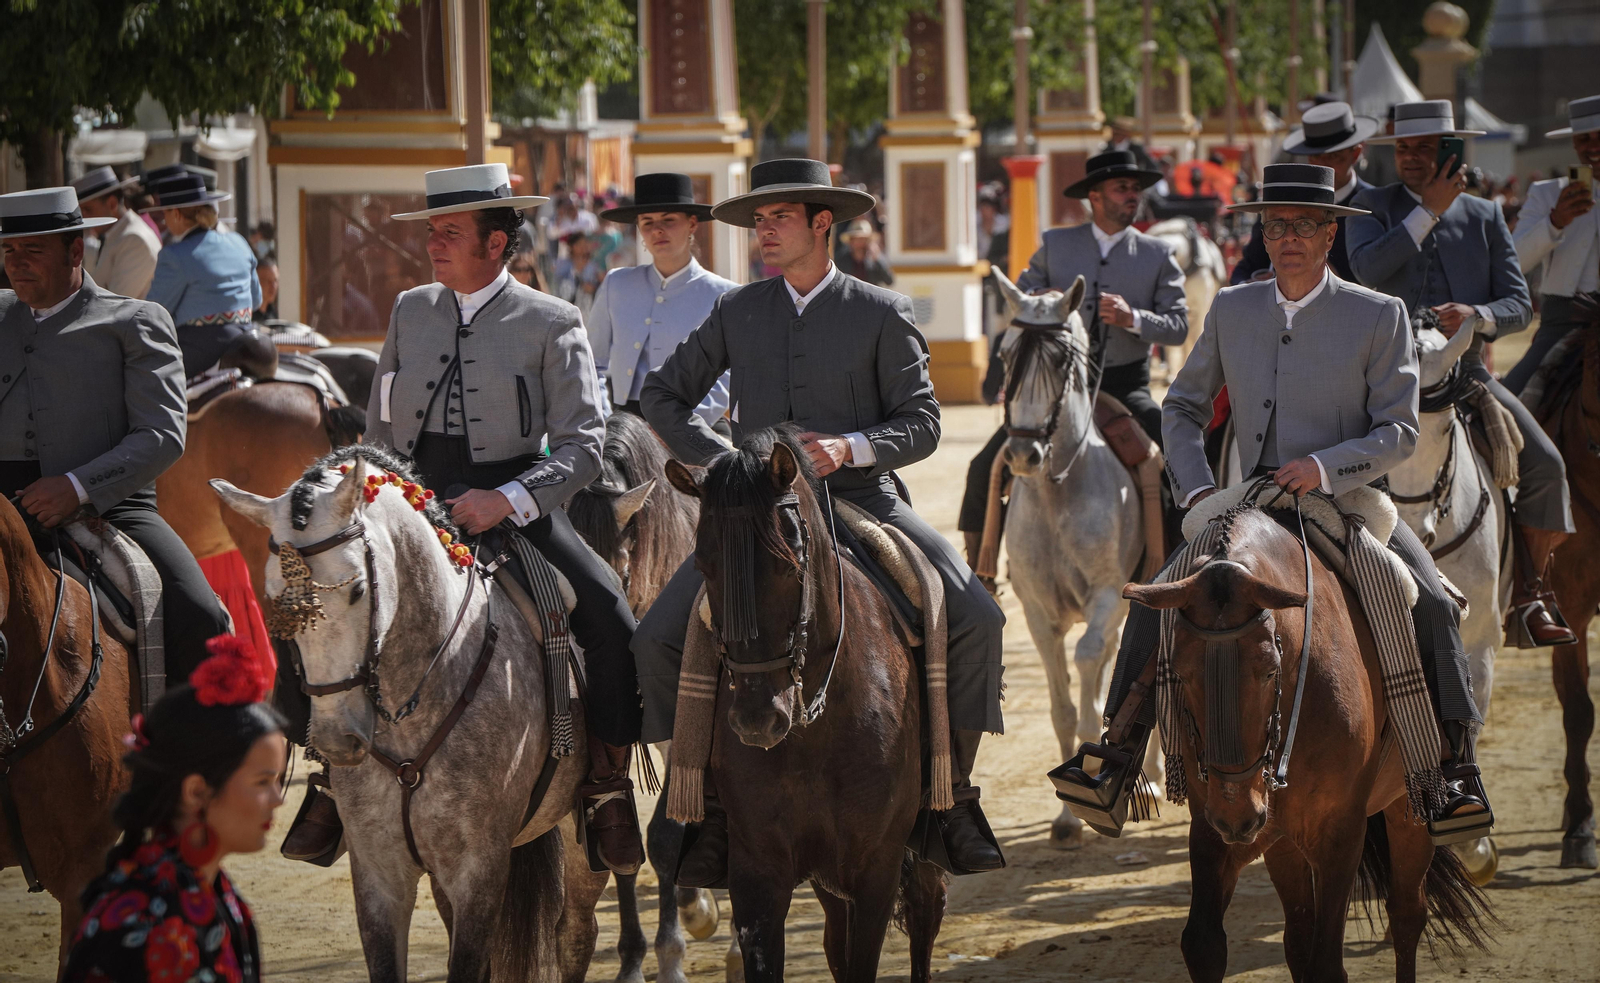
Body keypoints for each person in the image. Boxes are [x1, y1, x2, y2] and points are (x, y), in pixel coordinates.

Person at [1056, 163, 1491, 846]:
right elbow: (1184, 407)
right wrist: (1197, 488)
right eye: (1277, 225)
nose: (1289, 237)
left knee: (1431, 601)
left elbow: (1399, 430)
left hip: (1348, 501)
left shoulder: (1376, 314)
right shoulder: (1233, 307)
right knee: (1160, 592)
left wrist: (1324, 465)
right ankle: (1116, 753)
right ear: (1264, 232)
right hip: (1244, 498)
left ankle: (1454, 768)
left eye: (1306, 225)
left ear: (1328, 235)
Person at [635, 158, 1007, 883]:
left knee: (978, 617)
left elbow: (924, 422)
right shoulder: (738, 310)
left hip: (864, 498)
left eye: (778, 219)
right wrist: (732, 464)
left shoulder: (881, 311)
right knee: (654, 634)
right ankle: (697, 800)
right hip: (759, 515)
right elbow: (662, 396)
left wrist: (851, 446)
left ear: (822, 224)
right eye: (758, 221)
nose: (762, 232)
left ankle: (948, 796)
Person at [297, 162, 644, 875]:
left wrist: (508, 499)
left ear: (497, 244)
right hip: (407, 500)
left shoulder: (554, 320)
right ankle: (327, 774)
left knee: (611, 618)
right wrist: (370, 490)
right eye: (431, 231)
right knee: (311, 598)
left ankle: (607, 784)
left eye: (449, 232)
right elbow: (380, 427)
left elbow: (582, 445)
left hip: (513, 500)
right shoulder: (408, 309)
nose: (433, 243)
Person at [1347, 100, 1575, 648]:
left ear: (1452, 151)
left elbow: (1520, 304)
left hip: (1466, 375)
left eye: (1423, 148)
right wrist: (1426, 210)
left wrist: (1479, 315)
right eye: (1403, 148)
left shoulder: (1485, 215)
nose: (1410, 158)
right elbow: (1366, 269)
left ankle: (1529, 595)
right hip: (1379, 377)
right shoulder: (1369, 205)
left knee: (1547, 467)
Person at [0, 186, 232, 685]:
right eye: (8, 250)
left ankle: (190, 759)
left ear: (76, 251)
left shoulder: (136, 322)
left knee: (201, 618)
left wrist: (76, 487)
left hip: (110, 505)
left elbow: (163, 434)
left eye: (33, 249)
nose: (16, 263)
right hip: (1, 501)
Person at [956, 150, 1188, 567]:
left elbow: (1178, 326)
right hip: (1055, 389)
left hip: (1126, 387)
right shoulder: (1055, 244)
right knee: (981, 469)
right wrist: (1039, 302)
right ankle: (979, 575)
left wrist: (1133, 318)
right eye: (1122, 189)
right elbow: (1022, 298)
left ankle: (1180, 567)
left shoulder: (1158, 254)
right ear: (1094, 197)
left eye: (1135, 189)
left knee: (1179, 464)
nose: (1132, 196)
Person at [63, 636, 285, 983]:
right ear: (196, 791)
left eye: (278, 781)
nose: (279, 799)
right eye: (262, 782)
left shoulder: (222, 896)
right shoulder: (140, 921)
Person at [589, 172, 736, 432]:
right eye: (647, 222)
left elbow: (728, 375)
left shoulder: (722, 294)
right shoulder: (617, 283)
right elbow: (592, 363)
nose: (657, 230)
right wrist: (604, 417)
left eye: (668, 220)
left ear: (692, 224)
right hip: (622, 423)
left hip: (693, 420)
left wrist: (684, 425)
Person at [1504, 94, 1600, 394]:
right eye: (1584, 139)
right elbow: (1515, 260)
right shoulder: (1546, 194)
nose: (1593, 147)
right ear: (1573, 143)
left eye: (1599, 137)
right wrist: (1555, 221)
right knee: (1511, 401)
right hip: (1562, 320)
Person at [1231, 101, 1378, 284]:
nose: (1323, 165)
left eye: (1333, 157)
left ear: (1355, 154)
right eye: (1316, 156)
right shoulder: (1283, 203)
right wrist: (1254, 285)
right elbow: (1244, 270)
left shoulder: (1377, 205)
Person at [142, 173, 262, 379]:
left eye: (165, 213)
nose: (164, 219)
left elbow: (154, 314)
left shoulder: (175, 255)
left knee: (144, 379)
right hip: (249, 340)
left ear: (177, 214)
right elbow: (256, 300)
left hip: (202, 350)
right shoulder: (239, 241)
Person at [73, 166, 162, 299]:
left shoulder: (134, 239)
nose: (83, 218)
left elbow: (116, 303)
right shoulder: (118, 234)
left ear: (112, 204)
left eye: (88, 209)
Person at [833, 217, 895, 287]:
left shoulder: (874, 260)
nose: (860, 243)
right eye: (857, 239)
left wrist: (877, 259)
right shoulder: (842, 260)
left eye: (863, 239)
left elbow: (889, 281)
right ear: (851, 241)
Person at [252, 253, 279, 321]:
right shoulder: (247, 315)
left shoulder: (272, 313)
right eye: (267, 281)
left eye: (275, 280)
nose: (273, 286)